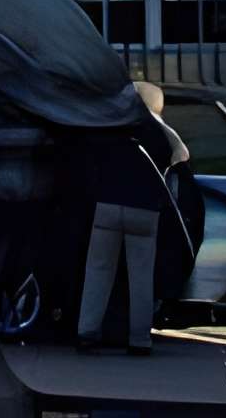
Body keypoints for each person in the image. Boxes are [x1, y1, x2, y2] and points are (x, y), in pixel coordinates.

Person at [73, 82, 183, 353]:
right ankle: (139, 340)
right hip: (144, 211)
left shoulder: (113, 127)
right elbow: (181, 155)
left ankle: (87, 332)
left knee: (98, 272)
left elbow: (90, 158)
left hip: (108, 206)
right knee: (142, 278)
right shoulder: (158, 135)